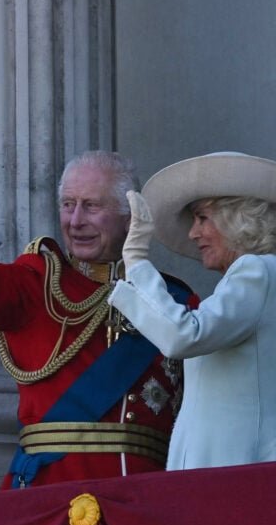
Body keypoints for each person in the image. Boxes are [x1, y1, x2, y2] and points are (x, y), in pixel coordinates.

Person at [0, 117, 198, 488]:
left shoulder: (176, 301)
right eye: (68, 204)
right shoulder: (40, 280)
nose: (75, 220)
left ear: (131, 216)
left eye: (92, 206)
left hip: (148, 499)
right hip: (50, 495)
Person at [110, 152, 276, 470]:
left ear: (238, 218)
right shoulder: (252, 280)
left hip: (239, 471)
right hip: (227, 470)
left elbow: (183, 336)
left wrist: (137, 262)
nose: (192, 233)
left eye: (202, 218)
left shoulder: (257, 272)